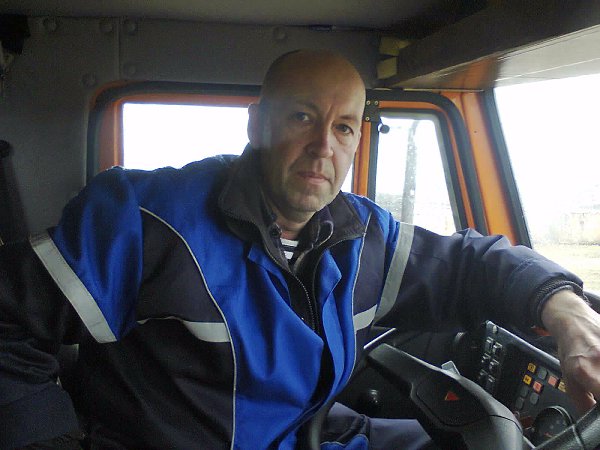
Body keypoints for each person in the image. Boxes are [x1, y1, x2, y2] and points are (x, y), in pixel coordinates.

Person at [1, 49, 600, 450]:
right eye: (302, 118)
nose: (323, 147)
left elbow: (469, 263)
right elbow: (7, 326)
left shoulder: (362, 235)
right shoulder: (143, 219)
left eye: (343, 127)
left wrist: (569, 314)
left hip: (311, 434)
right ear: (257, 125)